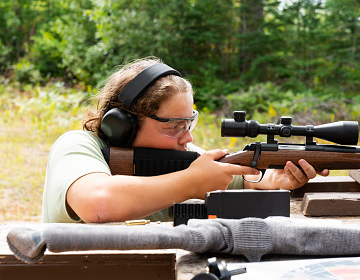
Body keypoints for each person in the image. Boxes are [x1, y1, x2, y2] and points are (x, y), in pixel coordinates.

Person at [41, 57, 329, 223]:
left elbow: (241, 176)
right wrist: (191, 182)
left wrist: (275, 178)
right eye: (174, 127)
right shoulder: (78, 146)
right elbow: (98, 203)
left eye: (189, 122)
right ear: (123, 126)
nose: (188, 137)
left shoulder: (183, 156)